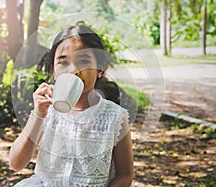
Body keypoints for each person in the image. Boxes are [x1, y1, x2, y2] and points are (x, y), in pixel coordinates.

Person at [9, 25, 134, 187]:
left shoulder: (114, 117)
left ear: (100, 69)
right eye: (63, 62)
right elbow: (16, 163)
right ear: (54, 69)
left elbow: (125, 175)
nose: (74, 70)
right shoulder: (47, 110)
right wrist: (38, 115)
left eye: (83, 61)